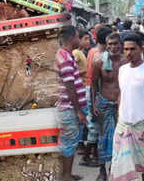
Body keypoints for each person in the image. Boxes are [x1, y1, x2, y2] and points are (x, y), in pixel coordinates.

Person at [110, 33, 144, 181]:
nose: (128, 53)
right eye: (125, 49)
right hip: (123, 125)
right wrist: (120, 116)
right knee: (119, 164)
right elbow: (122, 94)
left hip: (142, 125)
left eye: (132, 49)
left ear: (141, 48)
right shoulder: (122, 70)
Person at [92, 33, 127, 181]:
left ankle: (114, 168)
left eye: (116, 44)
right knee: (102, 138)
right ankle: (102, 170)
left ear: (121, 44)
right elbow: (93, 85)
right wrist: (94, 103)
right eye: (110, 44)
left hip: (121, 106)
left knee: (119, 139)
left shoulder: (126, 62)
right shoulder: (99, 62)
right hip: (104, 103)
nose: (113, 47)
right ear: (106, 45)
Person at [55, 26, 87, 181]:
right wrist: (79, 111)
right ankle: (66, 176)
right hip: (69, 109)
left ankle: (66, 173)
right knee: (69, 143)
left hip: (67, 108)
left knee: (68, 142)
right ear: (72, 38)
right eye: (78, 37)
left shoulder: (64, 55)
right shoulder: (66, 58)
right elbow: (70, 87)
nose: (79, 40)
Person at [80, 26, 112, 167]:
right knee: (96, 126)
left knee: (95, 125)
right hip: (94, 91)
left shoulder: (93, 51)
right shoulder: (100, 54)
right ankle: (90, 156)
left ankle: (91, 155)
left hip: (90, 89)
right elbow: (97, 80)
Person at [72, 30, 91, 151]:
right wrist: (83, 72)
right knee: (81, 116)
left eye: (89, 39)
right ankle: (79, 142)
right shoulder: (76, 53)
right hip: (80, 88)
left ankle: (81, 140)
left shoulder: (82, 52)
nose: (88, 41)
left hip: (83, 87)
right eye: (86, 39)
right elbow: (70, 71)